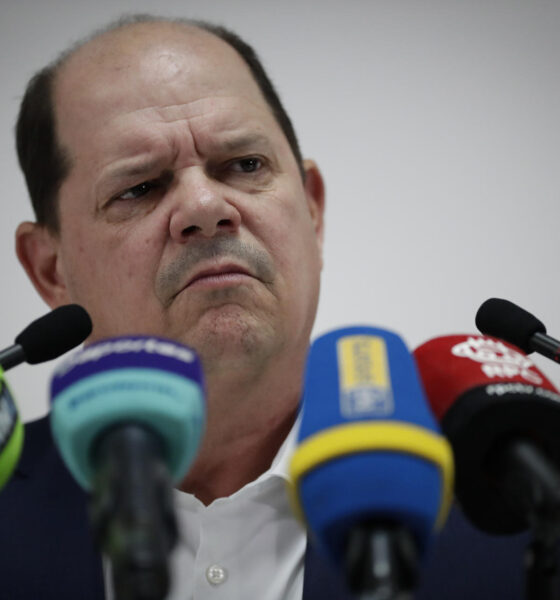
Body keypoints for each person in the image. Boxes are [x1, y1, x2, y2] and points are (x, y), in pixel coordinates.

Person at [0, 14, 548, 600]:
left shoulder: (526, 497)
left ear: (312, 211)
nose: (206, 207)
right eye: (139, 187)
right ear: (50, 269)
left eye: (244, 165)